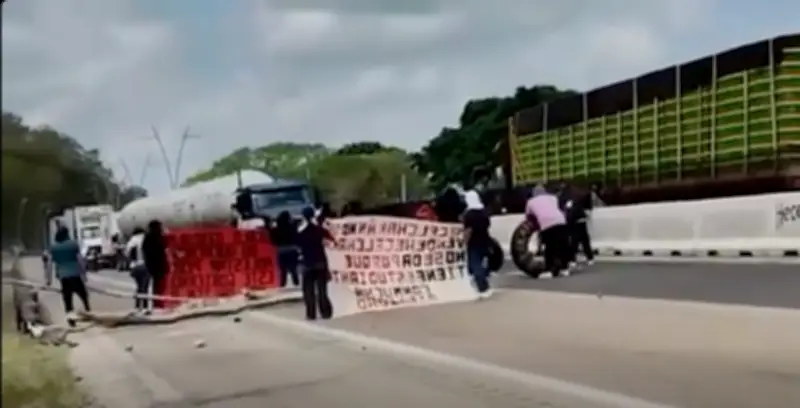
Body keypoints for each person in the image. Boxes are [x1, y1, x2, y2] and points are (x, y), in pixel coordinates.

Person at [47, 226, 90, 326]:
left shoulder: (54, 247)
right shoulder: (73, 244)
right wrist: (83, 273)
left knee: (67, 300)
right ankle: (88, 311)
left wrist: (48, 279)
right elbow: (80, 259)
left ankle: (71, 320)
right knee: (83, 295)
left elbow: (49, 264)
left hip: (63, 277)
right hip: (75, 274)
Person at [296, 206, 334, 320]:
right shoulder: (320, 230)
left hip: (307, 264)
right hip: (320, 262)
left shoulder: (301, 232)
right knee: (322, 289)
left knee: (308, 290)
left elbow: (297, 245)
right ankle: (325, 312)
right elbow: (332, 240)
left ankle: (311, 313)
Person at [526, 185, 571, 277]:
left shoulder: (530, 202)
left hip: (546, 223)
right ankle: (564, 268)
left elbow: (529, 217)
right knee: (562, 245)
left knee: (550, 248)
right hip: (561, 221)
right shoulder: (553, 198)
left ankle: (549, 270)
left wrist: (535, 227)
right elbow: (559, 208)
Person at [462, 190, 493, 298]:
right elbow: (488, 225)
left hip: (474, 242)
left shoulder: (469, 214)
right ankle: (484, 281)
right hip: (485, 240)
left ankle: (483, 287)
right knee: (482, 263)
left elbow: (468, 231)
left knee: (475, 265)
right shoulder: (484, 212)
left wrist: (464, 242)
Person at [560, 184, 595, 267]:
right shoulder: (578, 194)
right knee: (584, 239)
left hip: (571, 220)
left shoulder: (563, 196)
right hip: (580, 218)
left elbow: (562, 208)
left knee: (573, 240)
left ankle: (572, 259)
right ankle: (589, 257)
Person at [142, 220, 168, 309]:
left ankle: (155, 304)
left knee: (153, 287)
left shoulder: (148, 238)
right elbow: (163, 248)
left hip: (152, 266)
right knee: (158, 287)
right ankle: (158, 304)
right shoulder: (157, 238)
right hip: (158, 266)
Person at [272, 211, 300, 287]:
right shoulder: (292, 227)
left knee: (282, 269)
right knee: (293, 268)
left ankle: (282, 283)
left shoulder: (276, 229)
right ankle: (296, 282)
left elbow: (273, 240)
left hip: (281, 250)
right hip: (292, 249)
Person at [126, 227, 150, 313]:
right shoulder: (145, 239)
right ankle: (145, 307)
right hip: (144, 265)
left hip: (135, 266)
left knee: (139, 287)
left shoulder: (131, 241)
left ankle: (136, 306)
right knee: (145, 288)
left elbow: (127, 255)